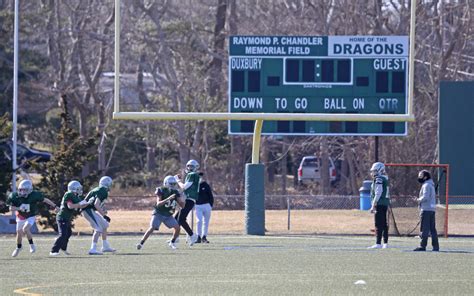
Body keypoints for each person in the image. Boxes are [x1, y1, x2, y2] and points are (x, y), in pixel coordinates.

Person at [6, 180, 59, 257]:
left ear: (30, 190)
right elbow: (11, 208)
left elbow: (45, 200)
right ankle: (19, 247)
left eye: (25, 190)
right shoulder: (14, 196)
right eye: (21, 189)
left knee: (25, 229)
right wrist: (19, 208)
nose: (22, 192)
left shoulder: (35, 195)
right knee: (19, 233)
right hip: (20, 216)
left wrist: (55, 206)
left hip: (31, 215)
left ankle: (31, 245)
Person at [136, 176, 184, 250]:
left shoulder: (175, 192)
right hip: (159, 213)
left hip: (168, 215)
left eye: (174, 184)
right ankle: (141, 243)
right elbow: (158, 204)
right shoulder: (161, 190)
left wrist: (182, 199)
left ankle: (172, 242)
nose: (173, 185)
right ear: (166, 183)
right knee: (152, 228)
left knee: (177, 228)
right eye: (171, 183)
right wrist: (168, 199)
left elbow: (182, 206)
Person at [50, 181, 92, 256]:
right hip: (62, 217)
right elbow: (70, 206)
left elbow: (80, 206)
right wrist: (80, 203)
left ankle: (63, 248)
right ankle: (53, 251)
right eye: (78, 189)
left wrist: (88, 203)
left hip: (66, 218)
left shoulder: (75, 196)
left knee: (68, 233)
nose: (80, 190)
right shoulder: (69, 194)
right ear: (73, 189)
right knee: (62, 234)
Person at [82, 176, 115, 255]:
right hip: (88, 210)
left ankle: (105, 246)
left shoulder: (99, 189)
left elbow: (97, 204)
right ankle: (92, 249)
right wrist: (104, 215)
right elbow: (96, 204)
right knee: (98, 228)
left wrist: (102, 210)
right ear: (107, 184)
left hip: (90, 210)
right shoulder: (103, 190)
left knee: (104, 225)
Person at [174, 159, 200, 246]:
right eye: (189, 166)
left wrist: (177, 180)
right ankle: (175, 238)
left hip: (189, 199)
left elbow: (184, 187)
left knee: (181, 219)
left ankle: (192, 235)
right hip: (188, 199)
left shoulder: (192, 174)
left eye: (192, 166)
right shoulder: (192, 175)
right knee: (176, 218)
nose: (190, 168)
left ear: (196, 167)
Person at [414, 170, 440, 252]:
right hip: (431, 209)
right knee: (432, 229)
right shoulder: (431, 184)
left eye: (421, 176)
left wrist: (418, 200)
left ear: (425, 177)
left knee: (424, 229)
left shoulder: (426, 185)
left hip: (426, 209)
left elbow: (425, 197)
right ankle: (436, 247)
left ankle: (422, 245)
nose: (419, 177)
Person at [368, 162, 390, 249]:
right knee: (384, 223)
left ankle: (378, 243)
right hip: (384, 203)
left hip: (379, 203)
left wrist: (373, 204)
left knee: (378, 223)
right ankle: (385, 242)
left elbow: (378, 192)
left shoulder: (379, 179)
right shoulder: (385, 178)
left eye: (374, 171)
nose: (373, 173)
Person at [195, 176, 214, 243]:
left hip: (206, 205)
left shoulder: (206, 185)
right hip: (197, 206)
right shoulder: (194, 185)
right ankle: (198, 237)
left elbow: (211, 196)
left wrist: (210, 205)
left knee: (206, 222)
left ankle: (204, 237)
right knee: (199, 221)